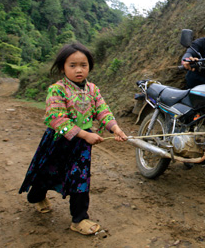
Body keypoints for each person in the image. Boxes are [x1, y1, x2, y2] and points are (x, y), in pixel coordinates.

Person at [19, 42, 128, 236]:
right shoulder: (57, 90)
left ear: (90, 66)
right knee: (46, 173)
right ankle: (36, 196)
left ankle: (79, 219)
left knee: (80, 179)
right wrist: (85, 134)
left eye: (83, 65)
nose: (79, 70)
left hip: (81, 146)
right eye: (72, 65)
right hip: (57, 142)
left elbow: (103, 111)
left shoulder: (93, 89)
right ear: (63, 67)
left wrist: (115, 128)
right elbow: (56, 119)